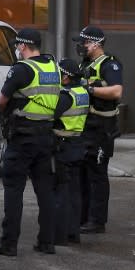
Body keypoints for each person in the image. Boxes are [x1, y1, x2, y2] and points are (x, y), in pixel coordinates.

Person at [0, 28, 64, 257]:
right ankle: (47, 242)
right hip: (46, 136)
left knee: (14, 190)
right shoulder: (53, 67)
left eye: (17, 46)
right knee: (45, 192)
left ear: (23, 46)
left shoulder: (22, 69)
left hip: (23, 137)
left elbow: (2, 101)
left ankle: (9, 244)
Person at [74, 25, 123, 234]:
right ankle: (82, 217)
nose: (81, 46)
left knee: (97, 174)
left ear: (95, 43)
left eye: (84, 42)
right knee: (82, 174)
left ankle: (97, 221)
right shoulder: (86, 64)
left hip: (102, 128)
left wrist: (90, 89)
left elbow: (116, 92)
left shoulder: (109, 65)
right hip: (86, 126)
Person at [53, 58, 90, 246]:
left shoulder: (66, 96)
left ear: (66, 77)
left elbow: (51, 115)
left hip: (63, 145)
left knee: (61, 192)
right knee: (75, 191)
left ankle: (60, 235)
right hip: (77, 144)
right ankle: (73, 232)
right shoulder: (82, 92)